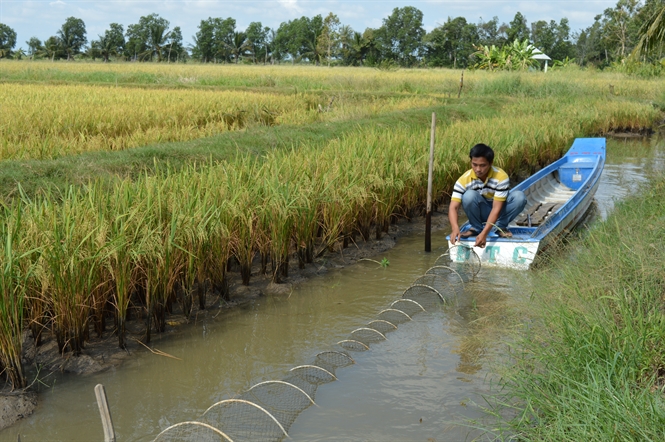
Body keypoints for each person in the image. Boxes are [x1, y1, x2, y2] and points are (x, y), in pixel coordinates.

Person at [448, 143, 527, 248]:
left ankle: (500, 227)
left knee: (519, 197)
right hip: (482, 210)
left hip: (499, 210)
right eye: (474, 164)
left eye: (482, 165)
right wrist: (455, 228)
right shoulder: (463, 180)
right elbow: (453, 207)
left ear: (490, 163)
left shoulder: (501, 176)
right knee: (468, 196)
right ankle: (476, 228)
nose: (478, 169)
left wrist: (484, 234)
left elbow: (496, 208)